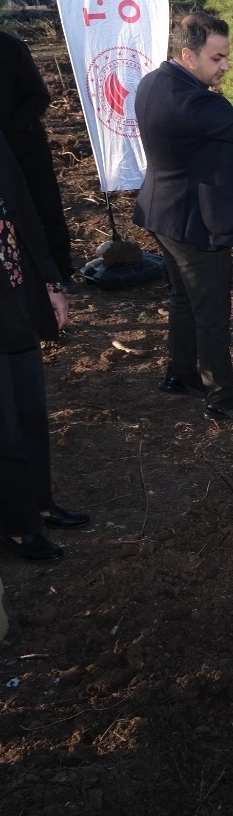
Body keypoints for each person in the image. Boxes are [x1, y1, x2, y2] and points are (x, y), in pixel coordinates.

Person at [133, 12, 233, 422]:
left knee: (183, 297)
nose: (225, 65)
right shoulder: (192, 101)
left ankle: (181, 373)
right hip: (194, 222)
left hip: (163, 211)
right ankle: (222, 395)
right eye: (217, 58)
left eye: (226, 56)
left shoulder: (154, 81)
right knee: (212, 308)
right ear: (188, 55)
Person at [0, 132, 89, 564]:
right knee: (4, 428)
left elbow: (23, 207)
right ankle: (16, 525)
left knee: (31, 411)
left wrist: (50, 281)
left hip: (17, 290)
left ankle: (39, 503)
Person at [0, 30, 70, 283]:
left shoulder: (11, 48)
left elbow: (39, 95)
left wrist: (15, 128)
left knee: (46, 208)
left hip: (25, 148)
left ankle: (62, 273)